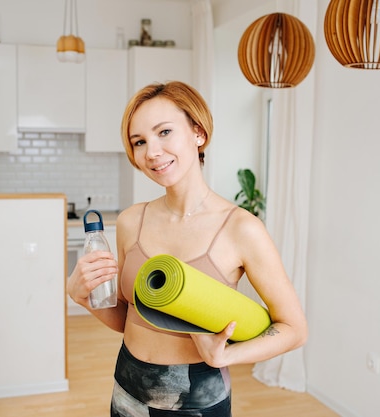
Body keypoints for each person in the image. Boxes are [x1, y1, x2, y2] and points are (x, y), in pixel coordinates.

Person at [67, 81, 308, 416]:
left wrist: (225, 356)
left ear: (198, 133)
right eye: (140, 142)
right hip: (127, 388)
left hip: (196, 398)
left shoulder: (241, 228)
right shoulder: (129, 221)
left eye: (164, 132)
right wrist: (84, 298)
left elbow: (294, 329)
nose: (151, 151)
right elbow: (129, 318)